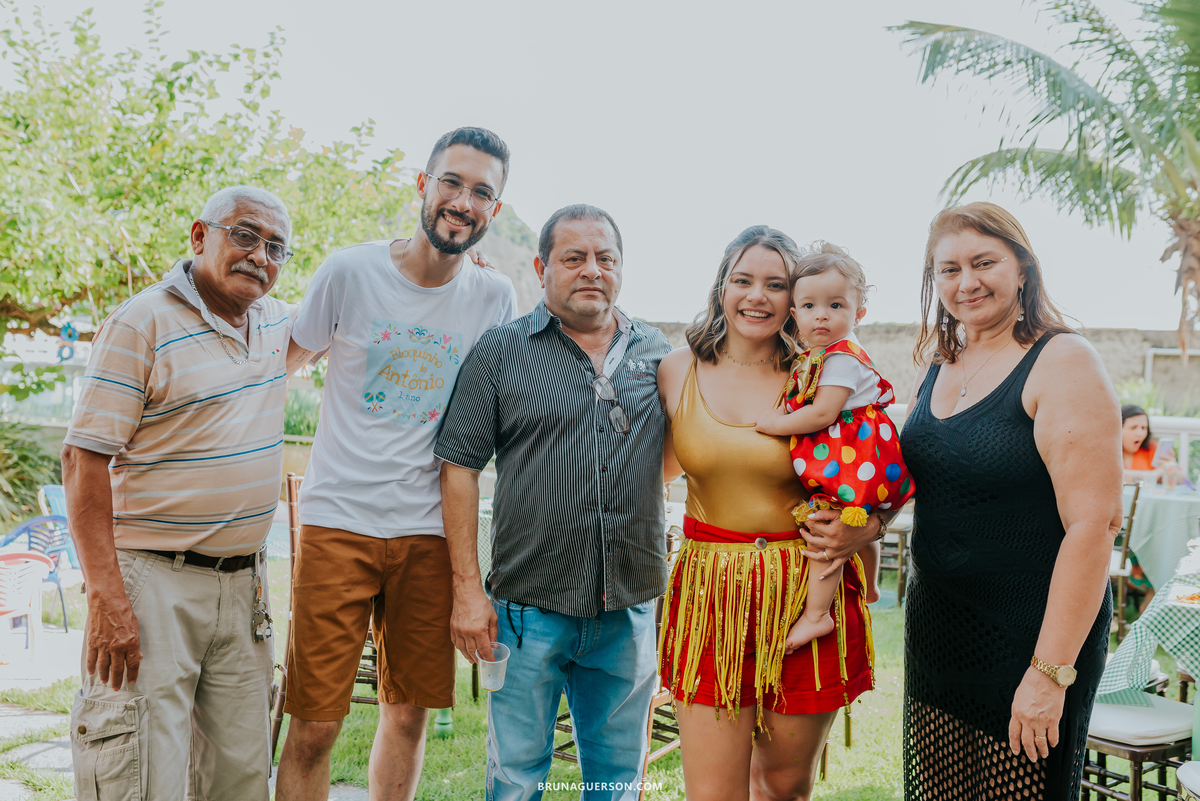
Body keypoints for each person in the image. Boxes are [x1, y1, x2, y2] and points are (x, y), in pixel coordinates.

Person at [275, 127, 518, 801]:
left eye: (481, 192)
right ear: (422, 184)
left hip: (430, 534)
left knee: (408, 716)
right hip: (338, 522)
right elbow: (282, 363)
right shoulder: (349, 272)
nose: (463, 201)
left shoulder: (494, 298)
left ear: (494, 210)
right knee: (314, 724)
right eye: (452, 182)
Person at [62, 185, 309, 801]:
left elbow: (364, 309)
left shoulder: (276, 324)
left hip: (244, 586)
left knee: (240, 778)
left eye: (276, 246)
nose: (260, 256)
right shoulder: (142, 321)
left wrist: (456, 268)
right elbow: (82, 460)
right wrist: (106, 596)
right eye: (245, 235)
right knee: (141, 775)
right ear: (200, 236)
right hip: (152, 584)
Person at [435, 204, 672, 800]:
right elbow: (459, 469)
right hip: (527, 611)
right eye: (574, 258)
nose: (592, 270)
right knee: (516, 779)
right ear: (542, 269)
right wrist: (467, 591)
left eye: (605, 258)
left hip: (628, 609)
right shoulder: (500, 352)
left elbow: (676, 456)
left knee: (617, 781)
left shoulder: (659, 353)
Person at [898, 202, 1120, 798]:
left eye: (984, 262)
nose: (966, 282)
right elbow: (924, 481)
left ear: (1022, 267)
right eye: (949, 270)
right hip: (937, 626)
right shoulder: (939, 363)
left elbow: (1094, 525)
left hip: (1030, 636)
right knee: (940, 791)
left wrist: (1048, 673)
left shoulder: (1063, 360)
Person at [657, 226, 885, 801]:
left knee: (783, 787)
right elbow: (650, 471)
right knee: (713, 793)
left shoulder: (822, 375)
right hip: (711, 592)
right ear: (722, 287)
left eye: (776, 284)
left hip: (806, 588)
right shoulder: (675, 369)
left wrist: (870, 528)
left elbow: (875, 467)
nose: (757, 296)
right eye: (743, 280)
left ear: (795, 299)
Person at [755, 242, 913, 650]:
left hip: (852, 457)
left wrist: (776, 424)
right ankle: (872, 585)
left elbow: (823, 413)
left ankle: (817, 615)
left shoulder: (842, 357)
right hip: (860, 455)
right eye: (809, 306)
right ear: (795, 314)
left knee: (826, 530)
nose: (821, 315)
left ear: (859, 313)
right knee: (860, 522)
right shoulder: (817, 354)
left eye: (836, 305)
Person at [1122, 404, 1159, 482]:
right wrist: (1155, 475)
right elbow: (1111, 475)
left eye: (1143, 428)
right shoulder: (1108, 452)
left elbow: (1181, 478)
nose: (1140, 433)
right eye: (1133, 428)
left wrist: (1170, 466)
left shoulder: (1153, 448)